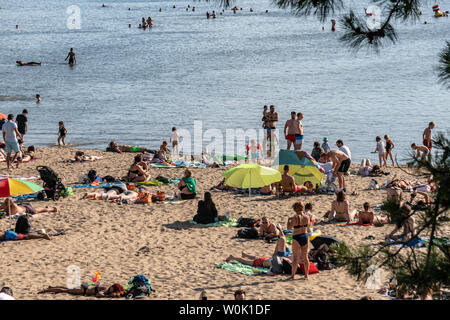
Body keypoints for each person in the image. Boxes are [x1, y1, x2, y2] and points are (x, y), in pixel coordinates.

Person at [286, 201, 310, 279]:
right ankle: (306, 275)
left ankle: (293, 275)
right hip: (305, 236)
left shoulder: (295, 217)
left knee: (295, 258)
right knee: (305, 257)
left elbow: (288, 228)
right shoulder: (307, 217)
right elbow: (308, 227)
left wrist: (288, 220)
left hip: (297, 237)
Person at [38, 283, 127, 297]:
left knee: (66, 288)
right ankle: (45, 291)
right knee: (64, 290)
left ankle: (51, 287)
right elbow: (98, 294)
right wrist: (107, 296)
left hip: (85, 286)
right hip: (83, 290)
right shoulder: (107, 290)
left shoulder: (107, 286)